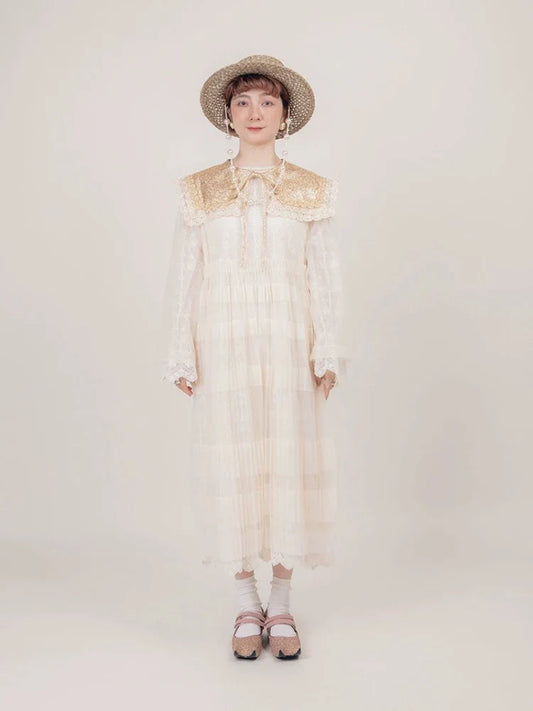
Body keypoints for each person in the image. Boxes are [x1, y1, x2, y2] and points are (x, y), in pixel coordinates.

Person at [161, 55, 350, 659]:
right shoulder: (200, 190)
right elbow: (186, 275)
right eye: (242, 101)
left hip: (289, 340)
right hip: (223, 340)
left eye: (267, 101)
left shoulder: (311, 189)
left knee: (288, 459)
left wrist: (328, 347)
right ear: (227, 114)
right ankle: (246, 602)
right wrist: (181, 350)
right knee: (233, 459)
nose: (255, 112)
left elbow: (324, 274)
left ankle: (283, 605)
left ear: (285, 115)